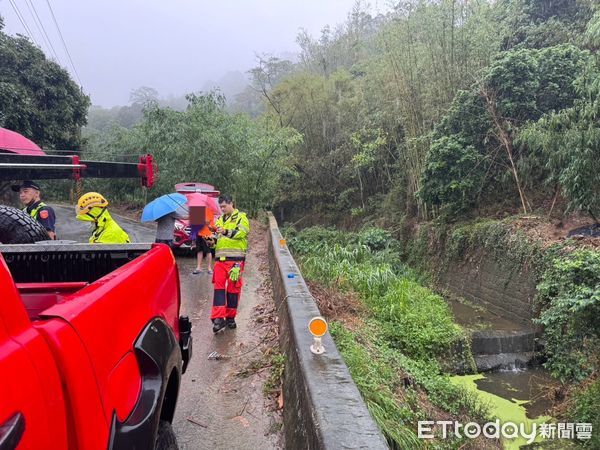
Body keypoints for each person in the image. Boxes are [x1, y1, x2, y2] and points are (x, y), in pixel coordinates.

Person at [211, 194, 250, 333]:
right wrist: (211, 242)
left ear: (231, 203)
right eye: (220, 207)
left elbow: (242, 233)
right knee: (219, 289)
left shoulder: (241, 217)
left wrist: (226, 231)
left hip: (236, 260)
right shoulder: (219, 220)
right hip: (220, 260)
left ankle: (230, 318)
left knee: (233, 289)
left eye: (224, 206)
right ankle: (218, 318)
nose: (222, 209)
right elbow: (218, 239)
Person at [192, 207, 216, 274]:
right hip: (198, 233)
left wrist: (205, 221)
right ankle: (198, 267)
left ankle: (209, 268)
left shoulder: (209, 210)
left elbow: (210, 223)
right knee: (199, 250)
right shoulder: (196, 210)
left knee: (208, 251)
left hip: (206, 234)